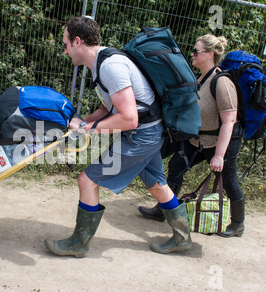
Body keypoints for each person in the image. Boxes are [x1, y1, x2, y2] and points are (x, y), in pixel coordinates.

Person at [44, 16, 192, 256]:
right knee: (156, 185)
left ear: (78, 42)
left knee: (87, 180)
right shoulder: (102, 62)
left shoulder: (110, 66)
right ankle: (182, 238)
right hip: (149, 131)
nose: (64, 50)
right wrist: (85, 121)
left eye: (65, 44)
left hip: (141, 134)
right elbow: (110, 108)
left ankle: (78, 244)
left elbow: (129, 118)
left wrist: (87, 129)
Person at [138, 34, 245, 238]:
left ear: (209, 55)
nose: (192, 54)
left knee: (229, 181)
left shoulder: (222, 82)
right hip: (198, 139)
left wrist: (219, 156)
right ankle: (163, 209)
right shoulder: (201, 79)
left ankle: (238, 224)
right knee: (176, 167)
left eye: (196, 51)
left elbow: (229, 121)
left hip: (221, 141)